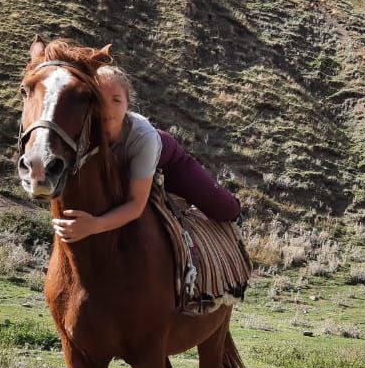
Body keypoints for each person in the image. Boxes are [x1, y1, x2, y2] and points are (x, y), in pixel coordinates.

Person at [52, 64, 241, 244]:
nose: (107, 108)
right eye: (99, 99)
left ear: (127, 105)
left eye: (116, 100)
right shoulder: (83, 129)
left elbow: (135, 205)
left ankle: (236, 213)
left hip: (168, 162)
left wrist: (95, 225)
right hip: (124, 167)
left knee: (223, 208)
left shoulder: (143, 137)